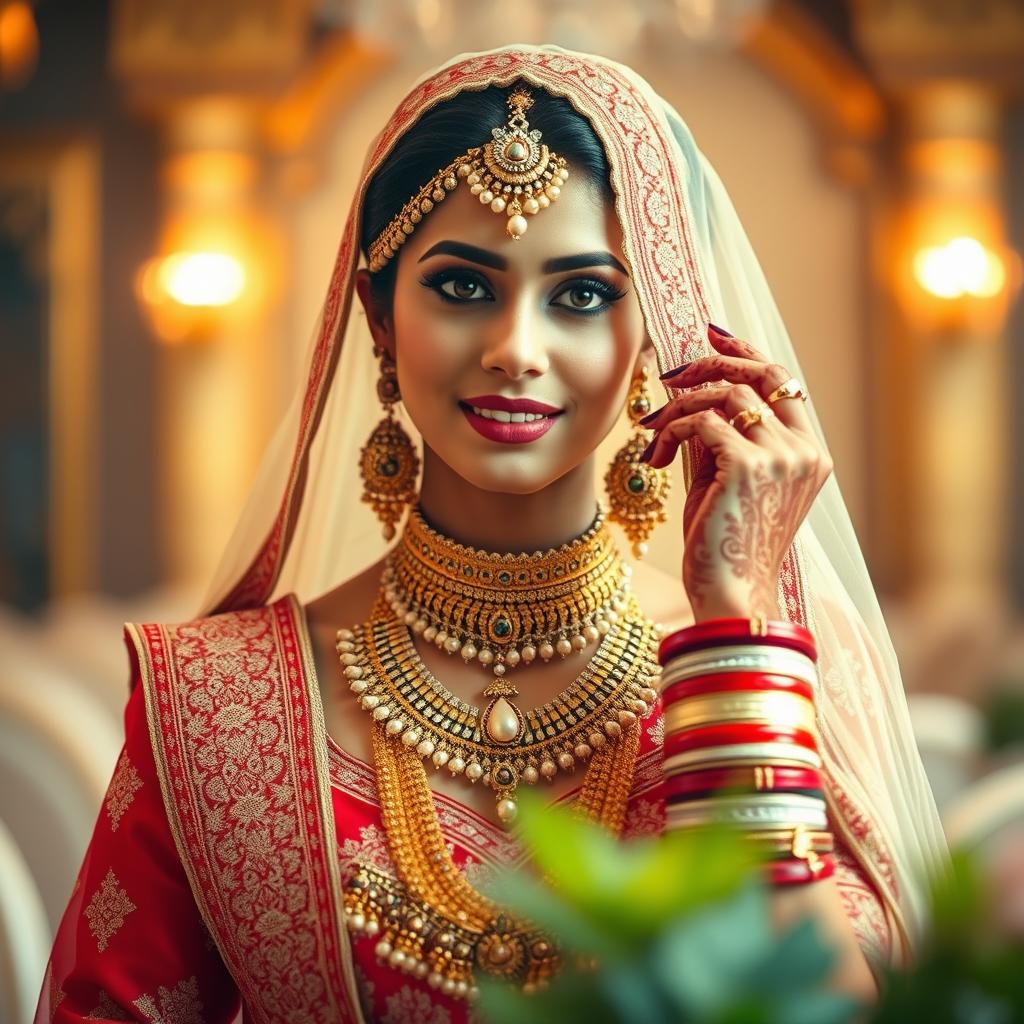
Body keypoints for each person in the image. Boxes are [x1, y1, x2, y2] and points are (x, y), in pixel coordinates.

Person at [36, 45, 948, 1023]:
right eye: (464, 287)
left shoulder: (774, 665)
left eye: (583, 295)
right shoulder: (215, 704)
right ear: (378, 317)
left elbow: (815, 1008)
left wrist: (730, 634)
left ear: (655, 338)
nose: (517, 347)